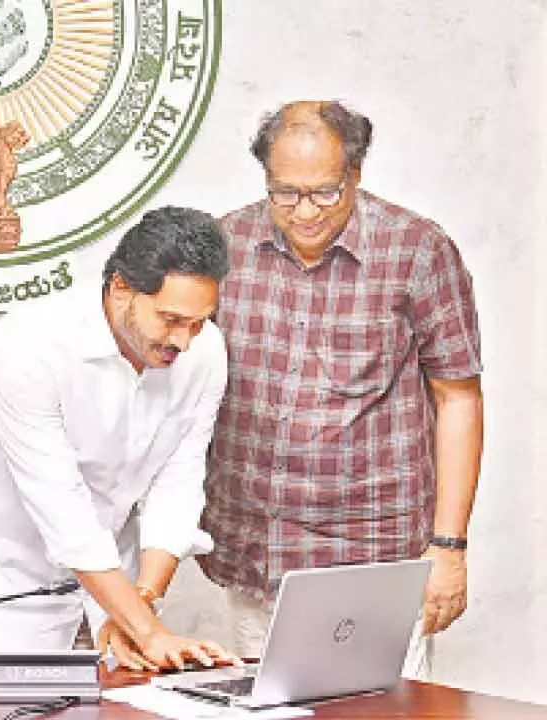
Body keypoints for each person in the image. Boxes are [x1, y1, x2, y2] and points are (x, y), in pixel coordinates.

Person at [200, 101, 483, 670]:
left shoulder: (417, 251)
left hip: (370, 562)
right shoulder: (224, 245)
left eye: (325, 192)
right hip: (257, 554)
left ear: (355, 173)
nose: (304, 211)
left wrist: (449, 549)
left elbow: (458, 399)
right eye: (285, 193)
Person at [0, 206, 238, 671]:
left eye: (198, 322)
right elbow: (60, 506)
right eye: (169, 319)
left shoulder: (204, 353)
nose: (184, 341)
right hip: (12, 585)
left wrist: (141, 603)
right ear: (121, 287)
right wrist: (148, 630)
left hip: (118, 582)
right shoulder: (29, 345)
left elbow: (179, 481)